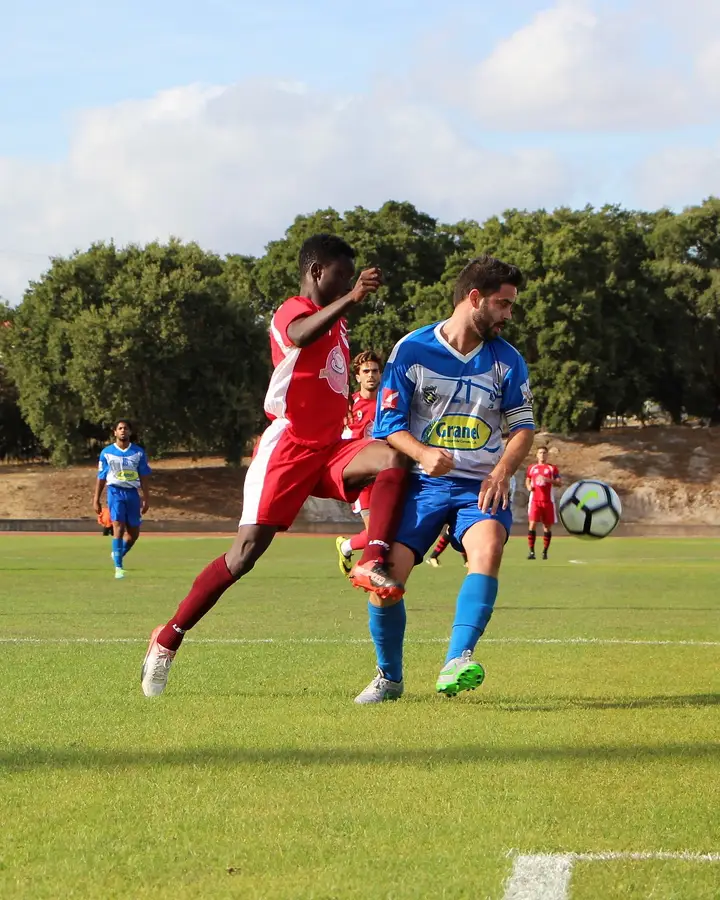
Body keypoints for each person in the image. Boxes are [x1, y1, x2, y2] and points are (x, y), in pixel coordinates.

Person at [140, 233, 409, 697]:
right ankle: (167, 640)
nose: (349, 282)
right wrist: (353, 296)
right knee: (244, 555)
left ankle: (368, 560)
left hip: (329, 448)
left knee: (392, 458)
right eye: (341, 275)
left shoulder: (339, 325)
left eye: (352, 277)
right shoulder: (291, 310)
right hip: (288, 449)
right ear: (317, 272)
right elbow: (300, 335)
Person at [353, 255, 535, 704]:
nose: (509, 315)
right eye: (503, 304)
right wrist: (421, 453)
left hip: (481, 487)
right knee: (387, 579)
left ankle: (458, 659)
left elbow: (523, 427)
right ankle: (389, 678)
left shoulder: (508, 361)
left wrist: (502, 469)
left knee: (488, 548)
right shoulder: (412, 350)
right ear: (474, 298)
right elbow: (388, 424)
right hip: (419, 484)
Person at [336, 350, 382, 576]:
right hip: (362, 479)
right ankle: (367, 571)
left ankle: (347, 546)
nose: (370, 375)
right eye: (366, 371)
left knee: (386, 532)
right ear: (357, 377)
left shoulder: (388, 402)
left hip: (384, 475)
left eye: (374, 371)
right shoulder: (348, 405)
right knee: (376, 533)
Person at [92, 419, 151, 580]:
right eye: (120, 428)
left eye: (125, 428)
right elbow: (101, 477)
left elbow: (144, 476)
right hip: (115, 492)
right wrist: (96, 498)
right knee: (118, 526)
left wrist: (146, 498)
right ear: (115, 432)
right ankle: (118, 567)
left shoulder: (138, 453)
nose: (123, 431)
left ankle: (118, 554)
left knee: (133, 534)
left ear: (130, 432)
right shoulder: (107, 453)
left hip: (132, 493)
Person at [426, 475, 516, 568]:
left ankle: (437, 557)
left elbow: (509, 494)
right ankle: (434, 556)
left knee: (464, 531)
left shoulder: (509, 476)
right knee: (464, 530)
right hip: (475, 497)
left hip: (484, 501)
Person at [526, 447, 561, 560]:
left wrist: (548, 480)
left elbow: (559, 483)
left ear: (547, 455)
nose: (542, 455)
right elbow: (528, 479)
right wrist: (528, 486)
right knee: (532, 524)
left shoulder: (552, 468)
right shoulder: (532, 468)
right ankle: (531, 552)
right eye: (540, 453)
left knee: (547, 527)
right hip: (535, 500)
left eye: (544, 453)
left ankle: (545, 552)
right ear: (537, 455)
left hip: (548, 501)